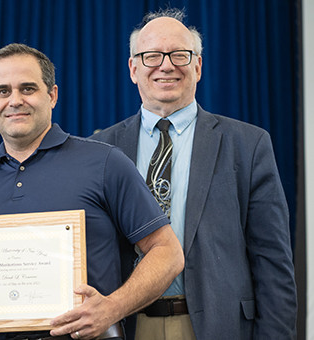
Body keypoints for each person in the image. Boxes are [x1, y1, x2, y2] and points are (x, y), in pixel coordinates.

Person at [0, 43, 184, 340]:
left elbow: (168, 253)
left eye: (28, 89)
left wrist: (111, 309)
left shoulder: (105, 163)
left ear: (52, 95)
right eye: (3, 91)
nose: (15, 100)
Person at [89, 8, 297, 340]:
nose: (166, 65)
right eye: (151, 56)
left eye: (179, 55)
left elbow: (272, 263)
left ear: (197, 66)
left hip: (217, 328)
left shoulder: (248, 144)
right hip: (126, 327)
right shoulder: (98, 149)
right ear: (133, 68)